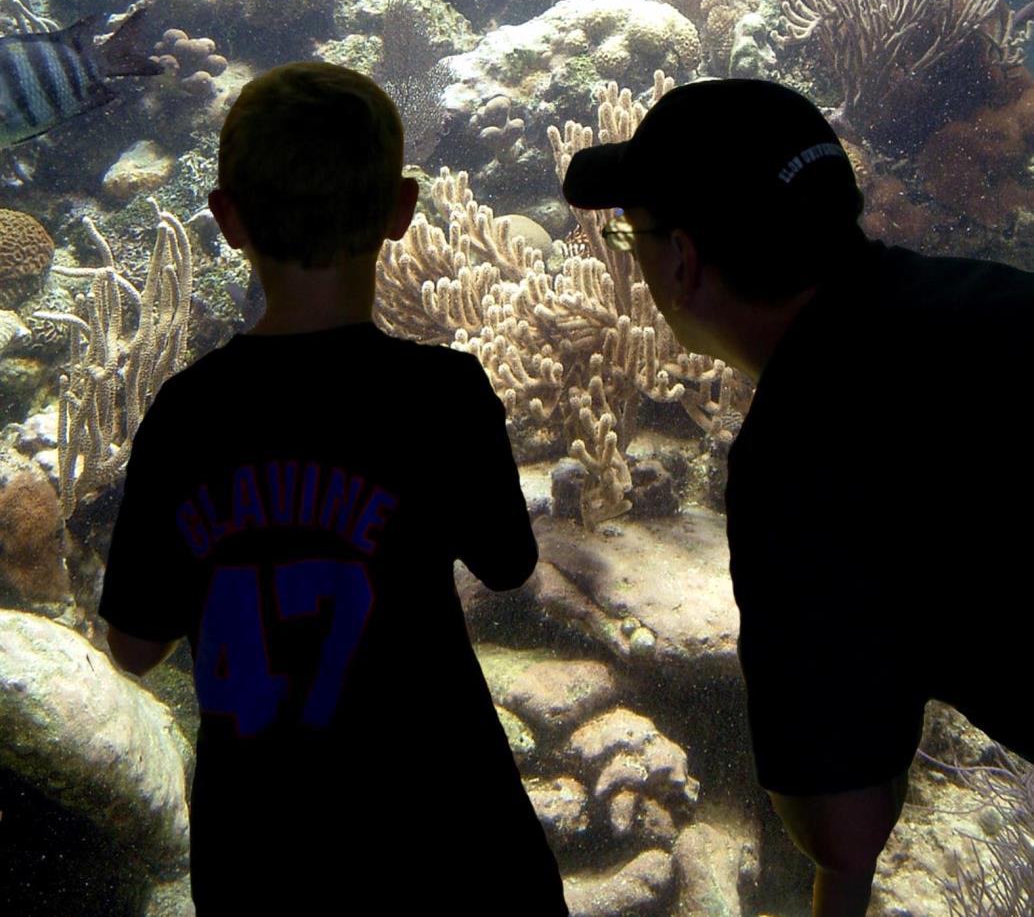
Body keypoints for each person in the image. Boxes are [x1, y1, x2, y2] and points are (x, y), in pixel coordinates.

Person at [99, 62, 569, 917]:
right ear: (402, 208)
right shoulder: (443, 393)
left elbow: (132, 647)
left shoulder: (186, 413)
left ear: (227, 219)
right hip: (450, 833)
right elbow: (506, 562)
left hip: (263, 850)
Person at [562, 76, 1033, 917]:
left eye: (633, 236)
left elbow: (844, 836)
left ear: (683, 260)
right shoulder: (996, 294)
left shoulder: (799, 459)